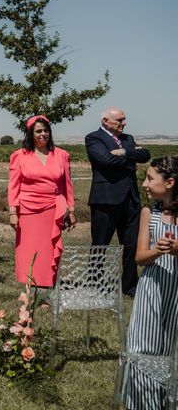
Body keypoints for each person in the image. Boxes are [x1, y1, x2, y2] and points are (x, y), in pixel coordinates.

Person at [124, 156, 178, 409]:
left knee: (169, 349)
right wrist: (158, 250)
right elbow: (139, 257)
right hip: (152, 290)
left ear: (169, 183)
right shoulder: (149, 213)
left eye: (149, 178)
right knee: (144, 345)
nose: (144, 183)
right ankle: (143, 403)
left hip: (175, 293)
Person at [85, 107, 150, 296]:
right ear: (105, 121)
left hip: (130, 200)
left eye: (124, 119)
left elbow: (145, 155)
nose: (124, 123)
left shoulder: (127, 139)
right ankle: (95, 284)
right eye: (119, 120)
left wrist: (122, 152)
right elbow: (105, 160)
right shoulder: (93, 138)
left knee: (131, 246)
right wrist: (131, 155)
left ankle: (129, 286)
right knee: (100, 245)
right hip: (105, 200)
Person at [8, 115, 75, 288]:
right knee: (28, 250)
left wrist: (71, 210)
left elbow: (67, 185)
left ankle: (47, 288)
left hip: (52, 209)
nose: (43, 134)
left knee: (47, 250)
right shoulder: (19, 156)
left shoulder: (61, 155)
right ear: (30, 134)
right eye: (38, 131)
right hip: (27, 210)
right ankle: (28, 288)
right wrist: (12, 213)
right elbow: (13, 186)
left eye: (46, 130)